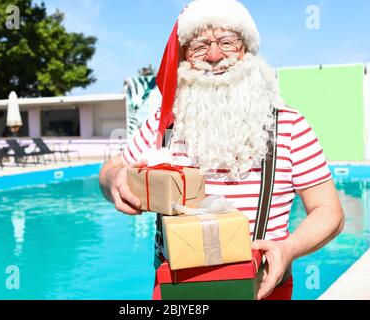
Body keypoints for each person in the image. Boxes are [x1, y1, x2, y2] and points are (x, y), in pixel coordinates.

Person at [99, 0, 345, 300]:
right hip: (176, 291)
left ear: (246, 50)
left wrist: (288, 249)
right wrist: (114, 182)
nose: (214, 56)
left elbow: (330, 212)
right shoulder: (163, 124)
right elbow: (110, 171)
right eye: (200, 45)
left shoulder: (290, 126)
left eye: (227, 42)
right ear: (185, 55)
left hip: (262, 287)